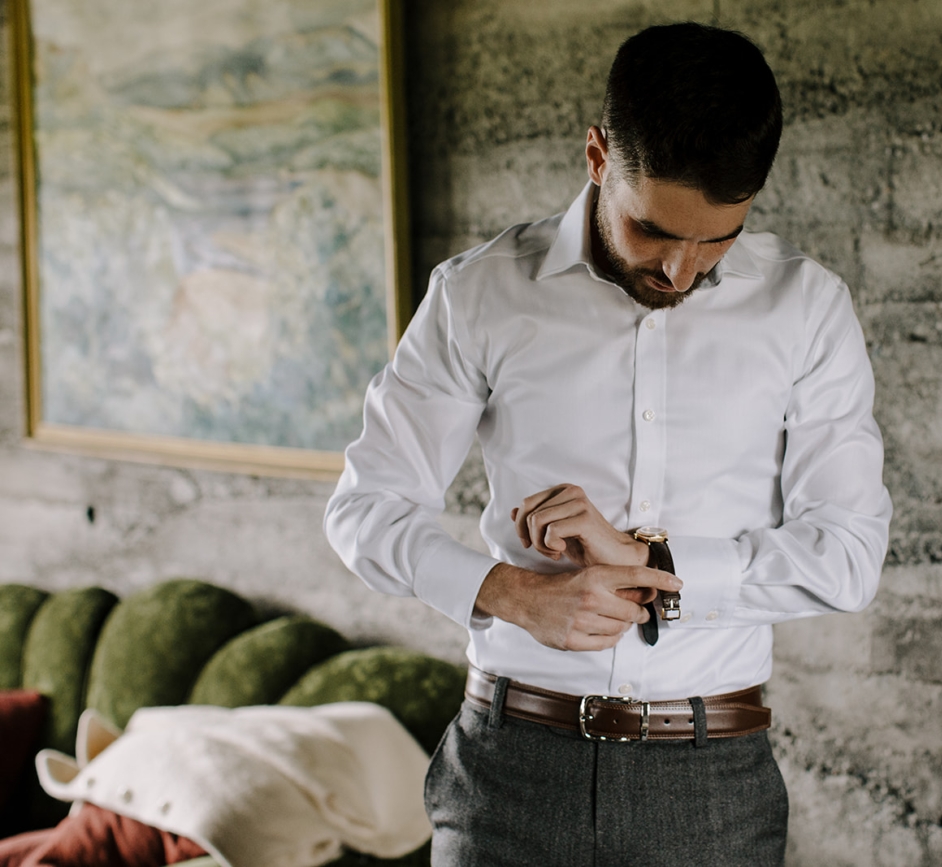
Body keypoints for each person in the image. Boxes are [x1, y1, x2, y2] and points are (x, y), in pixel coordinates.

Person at [324, 21, 891, 867]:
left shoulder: (807, 310)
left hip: (711, 788)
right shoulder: (480, 294)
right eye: (655, 232)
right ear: (597, 156)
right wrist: (509, 590)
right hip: (510, 774)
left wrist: (645, 555)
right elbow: (363, 508)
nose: (682, 272)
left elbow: (848, 555)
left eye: (718, 238)